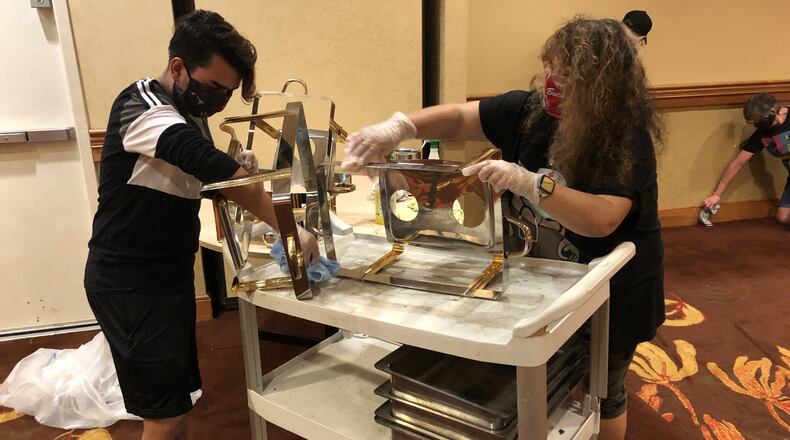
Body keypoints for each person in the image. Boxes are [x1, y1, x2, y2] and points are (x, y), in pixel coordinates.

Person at [343, 17, 665, 440]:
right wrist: (399, 126)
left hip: (615, 291)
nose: (551, 82)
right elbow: (459, 118)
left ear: (600, 85)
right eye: (550, 68)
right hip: (549, 278)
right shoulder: (529, 112)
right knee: (547, 371)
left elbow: (601, 218)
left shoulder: (624, 136)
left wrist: (530, 183)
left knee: (604, 390)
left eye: (565, 75)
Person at [84, 10, 318, 440]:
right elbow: (201, 160)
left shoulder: (189, 113)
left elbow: (200, 177)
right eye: (214, 87)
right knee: (165, 413)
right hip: (130, 281)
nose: (219, 102)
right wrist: (289, 229)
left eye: (228, 93)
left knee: (176, 402)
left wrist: (236, 167)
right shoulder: (141, 104)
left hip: (166, 275)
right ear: (178, 67)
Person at [702, 93, 790, 227]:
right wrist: (716, 195)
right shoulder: (762, 134)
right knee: (783, 218)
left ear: (773, 112)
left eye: (760, 121)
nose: (759, 125)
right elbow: (737, 164)